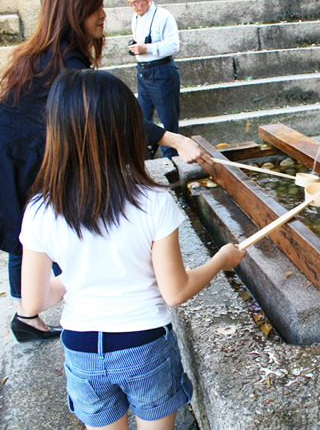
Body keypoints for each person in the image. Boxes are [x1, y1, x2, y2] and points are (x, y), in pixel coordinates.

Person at [0, 0, 207, 343]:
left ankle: (27, 312)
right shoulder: (65, 64)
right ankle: (36, 312)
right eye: (94, 8)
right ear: (74, 12)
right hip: (15, 156)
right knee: (28, 235)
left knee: (28, 235)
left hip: (11, 151)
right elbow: (110, 116)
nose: (103, 15)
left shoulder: (53, 52)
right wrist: (173, 137)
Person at [20, 68, 245, 429]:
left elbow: (32, 303)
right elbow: (175, 291)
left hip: (81, 351)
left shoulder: (40, 210)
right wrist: (221, 260)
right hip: (144, 347)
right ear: (126, 130)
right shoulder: (153, 202)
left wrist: (78, 277)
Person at [123, 0, 183, 159]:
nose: (134, 7)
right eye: (130, 3)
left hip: (162, 71)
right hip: (143, 71)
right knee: (141, 118)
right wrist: (136, 49)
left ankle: (171, 161)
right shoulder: (135, 17)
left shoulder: (164, 16)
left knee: (168, 120)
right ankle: (144, 157)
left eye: (137, 2)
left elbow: (173, 45)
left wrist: (147, 48)